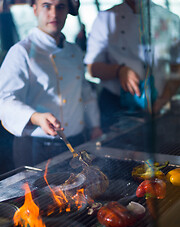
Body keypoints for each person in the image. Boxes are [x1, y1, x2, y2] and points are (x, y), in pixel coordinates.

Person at [0, 0, 102, 168]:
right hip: (37, 147)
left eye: (60, 6)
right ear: (35, 10)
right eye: (47, 6)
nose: (54, 13)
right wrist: (36, 117)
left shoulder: (74, 51)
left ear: (68, 10)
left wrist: (95, 126)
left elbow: (84, 93)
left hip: (77, 142)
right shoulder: (21, 52)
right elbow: (4, 101)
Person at [84, 0, 180, 129]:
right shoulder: (106, 18)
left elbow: (177, 67)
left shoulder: (170, 19)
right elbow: (92, 69)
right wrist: (119, 70)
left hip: (157, 103)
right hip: (115, 106)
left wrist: (164, 99)